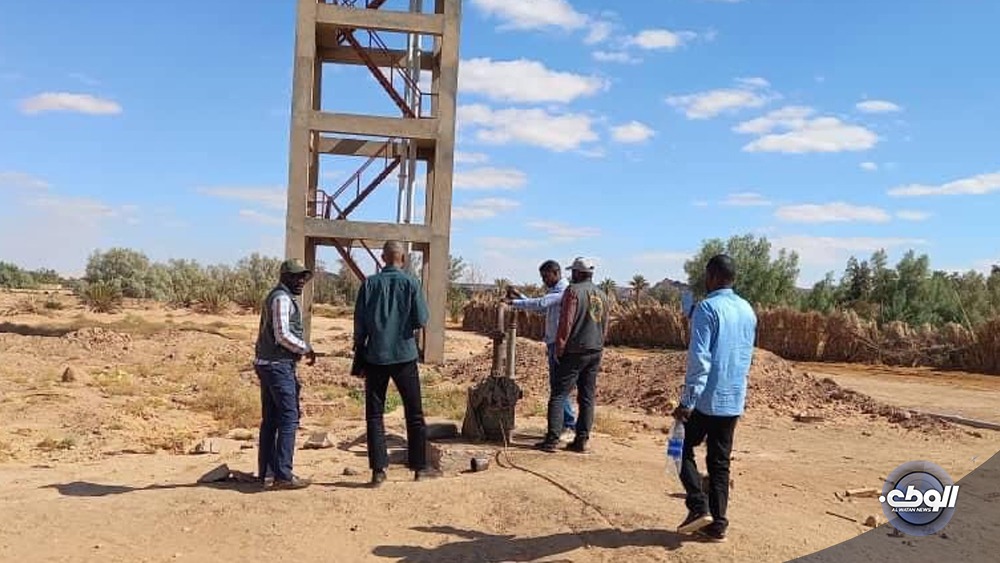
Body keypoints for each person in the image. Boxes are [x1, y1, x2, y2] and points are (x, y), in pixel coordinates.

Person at [672, 254, 757, 542]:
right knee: (720, 462)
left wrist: (687, 401)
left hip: (706, 398)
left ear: (713, 277)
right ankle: (717, 524)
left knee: (678, 448)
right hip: (733, 398)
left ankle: (698, 506)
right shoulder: (747, 309)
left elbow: (700, 360)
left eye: (706, 276)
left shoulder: (707, 308)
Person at [353, 241, 440, 486]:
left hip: (375, 357)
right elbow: (421, 319)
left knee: (374, 415)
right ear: (403, 258)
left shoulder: (369, 284)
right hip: (404, 356)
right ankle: (419, 468)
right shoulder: (411, 283)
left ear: (383, 258)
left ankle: (378, 471)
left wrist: (360, 349)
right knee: (414, 413)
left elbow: (359, 323)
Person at [254, 258, 317, 490]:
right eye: (296, 277)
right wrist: (305, 348)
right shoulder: (281, 298)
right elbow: (282, 335)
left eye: (303, 277)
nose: (301, 281)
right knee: (289, 418)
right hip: (277, 366)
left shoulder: (278, 296)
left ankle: (267, 473)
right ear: (284, 277)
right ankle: (283, 475)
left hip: (267, 363)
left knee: (270, 420)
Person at [536, 257, 609, 453]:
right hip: (595, 350)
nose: (571, 276)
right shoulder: (602, 294)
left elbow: (566, 322)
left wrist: (559, 348)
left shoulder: (573, 291)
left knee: (558, 395)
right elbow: (605, 325)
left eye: (573, 272)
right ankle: (581, 441)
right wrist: (599, 345)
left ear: (577, 273)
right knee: (587, 397)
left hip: (574, 351)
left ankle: (552, 440)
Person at [504, 260, 577, 436]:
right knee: (558, 386)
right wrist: (519, 296)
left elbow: (541, 304)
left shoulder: (562, 291)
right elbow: (542, 310)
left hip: (559, 345)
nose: (543, 280)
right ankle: (565, 423)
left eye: (546, 276)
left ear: (556, 273)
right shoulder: (555, 291)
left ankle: (568, 423)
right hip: (553, 343)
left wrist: (512, 302)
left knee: (559, 387)